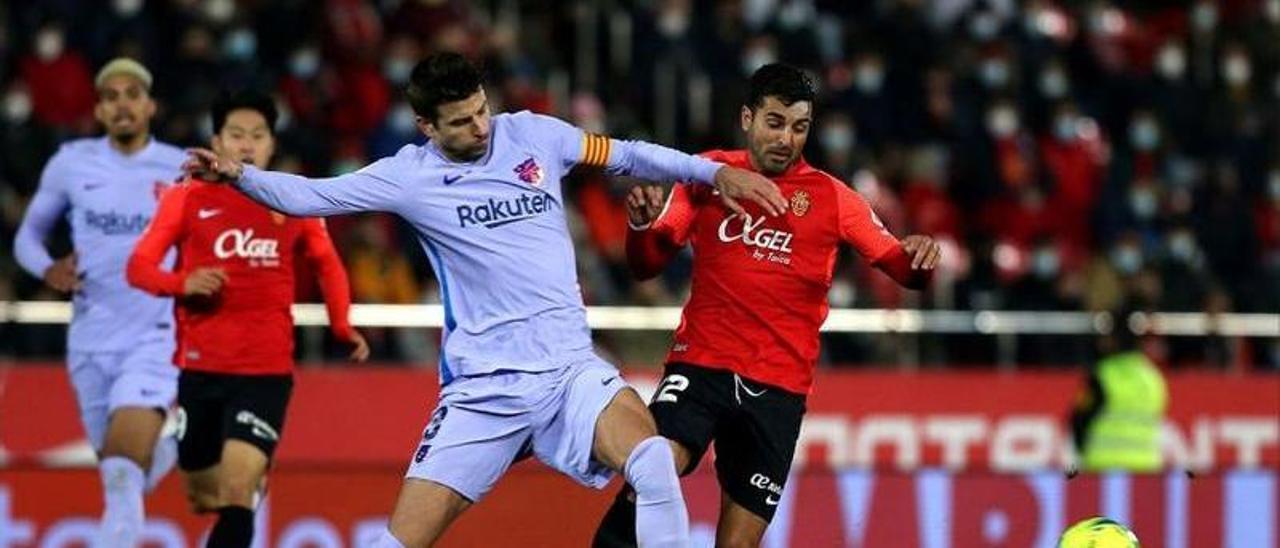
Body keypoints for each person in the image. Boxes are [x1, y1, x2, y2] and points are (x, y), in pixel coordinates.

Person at [183, 52, 787, 548]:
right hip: (483, 390)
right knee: (398, 543)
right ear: (427, 127)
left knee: (653, 461)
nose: (481, 127)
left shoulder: (535, 136)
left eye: (481, 110)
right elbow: (311, 196)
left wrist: (711, 174)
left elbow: (627, 153)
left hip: (567, 372)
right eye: (462, 122)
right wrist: (241, 177)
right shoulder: (408, 176)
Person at [593, 63, 942, 548]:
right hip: (701, 369)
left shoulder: (834, 198)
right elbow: (646, 265)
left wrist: (921, 257)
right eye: (775, 122)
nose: (786, 139)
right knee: (652, 473)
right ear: (747, 118)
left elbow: (902, 268)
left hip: (778, 390)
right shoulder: (708, 173)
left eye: (799, 127)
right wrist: (640, 227)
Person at [127, 90, 369, 547]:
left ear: (271, 145)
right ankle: (242, 478)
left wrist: (341, 324)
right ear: (217, 141)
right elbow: (138, 267)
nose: (246, 145)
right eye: (236, 135)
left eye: (257, 136)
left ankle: (251, 480)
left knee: (237, 490)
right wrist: (184, 283)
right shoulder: (187, 198)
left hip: (265, 372)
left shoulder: (292, 198)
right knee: (204, 497)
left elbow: (327, 264)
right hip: (199, 368)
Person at [12, 57, 185, 547]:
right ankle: (188, 444)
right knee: (127, 473)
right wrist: (47, 268)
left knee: (122, 470)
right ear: (99, 110)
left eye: (132, 94)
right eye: (111, 97)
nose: (122, 104)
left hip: (155, 335)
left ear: (150, 105)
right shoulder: (71, 162)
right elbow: (28, 237)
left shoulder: (179, 166)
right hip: (89, 337)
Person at [1070, 309, 1168, 473]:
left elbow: (1080, 420)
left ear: (1113, 339)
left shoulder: (1104, 374)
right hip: (1146, 468)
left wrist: (1082, 451)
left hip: (1103, 468)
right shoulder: (1153, 377)